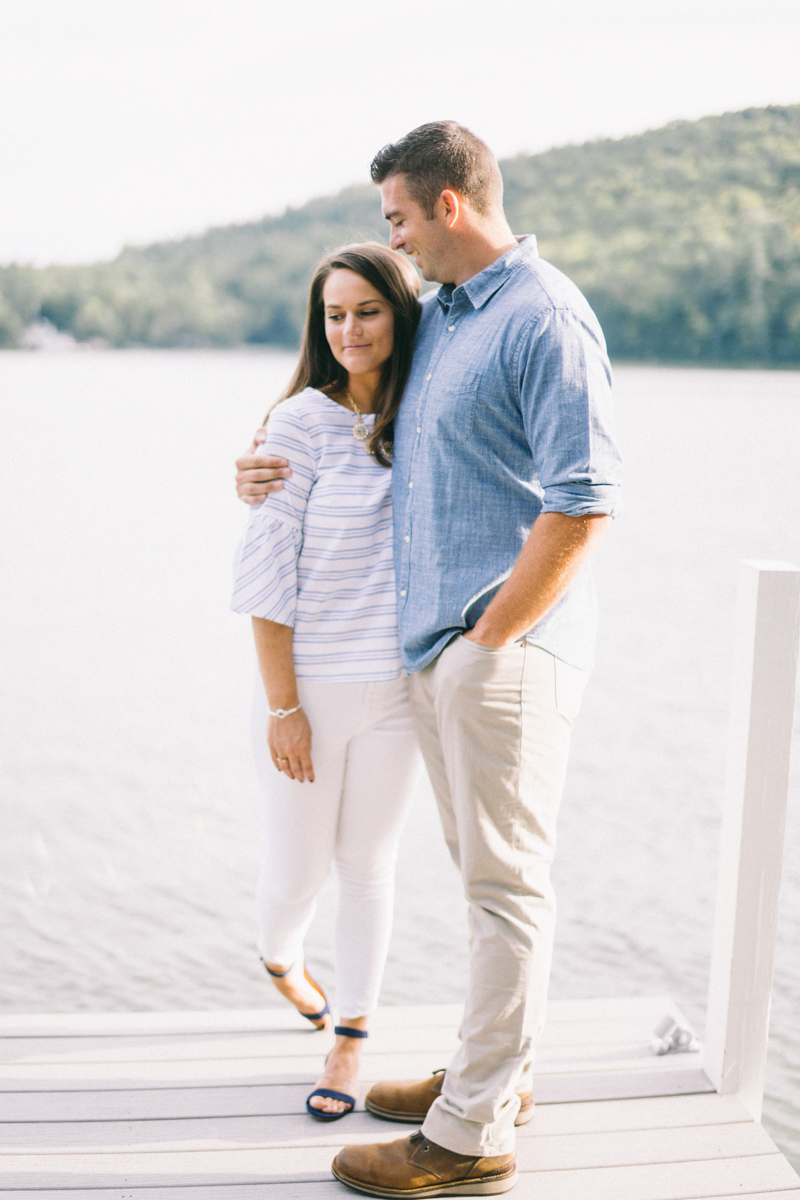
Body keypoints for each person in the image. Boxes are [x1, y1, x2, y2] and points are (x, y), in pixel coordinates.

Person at [236, 122, 622, 1195]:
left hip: (499, 656)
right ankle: (492, 1077)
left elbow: (583, 502)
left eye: (398, 219)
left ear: (449, 206)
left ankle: (468, 1136)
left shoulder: (541, 316)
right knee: (482, 885)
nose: (392, 243)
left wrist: (482, 645)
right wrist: (259, 472)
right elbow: (359, 439)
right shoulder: (449, 315)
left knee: (503, 890)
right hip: (441, 659)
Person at [231, 242, 424, 1120]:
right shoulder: (297, 424)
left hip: (398, 691)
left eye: (368, 311)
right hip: (310, 690)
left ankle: (351, 1040)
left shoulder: (427, 413)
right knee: (297, 877)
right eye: (334, 314)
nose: (349, 330)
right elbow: (268, 578)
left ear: (402, 313)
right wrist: (284, 709)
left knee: (370, 867)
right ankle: (278, 955)